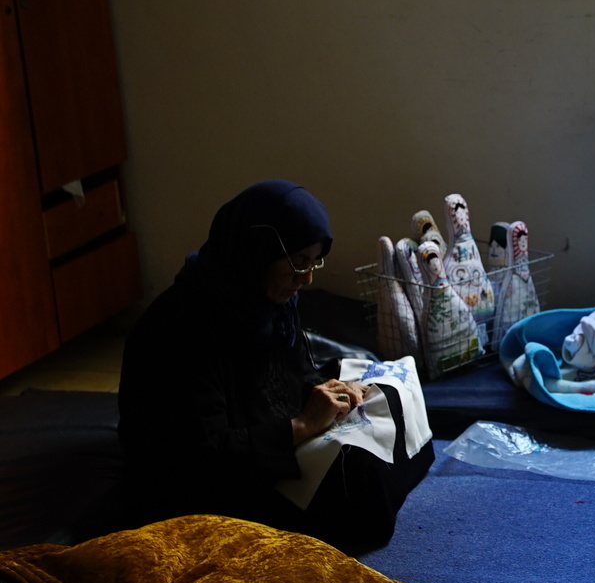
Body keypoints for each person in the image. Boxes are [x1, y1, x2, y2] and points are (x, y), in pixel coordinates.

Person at [116, 180, 433, 553]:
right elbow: (200, 458)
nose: (307, 278)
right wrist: (301, 427)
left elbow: (292, 373)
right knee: (361, 484)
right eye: (299, 262)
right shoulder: (181, 329)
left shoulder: (266, 300)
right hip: (199, 482)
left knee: (391, 396)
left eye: (314, 261)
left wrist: (326, 390)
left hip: (264, 443)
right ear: (256, 252)